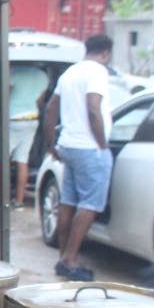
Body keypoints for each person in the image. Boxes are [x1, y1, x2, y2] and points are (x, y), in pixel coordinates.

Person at [42, 34, 114, 281]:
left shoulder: (70, 73)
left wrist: (51, 143)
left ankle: (63, 258)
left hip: (68, 146)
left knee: (68, 202)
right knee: (90, 205)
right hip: (88, 148)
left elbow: (51, 108)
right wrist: (102, 145)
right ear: (105, 53)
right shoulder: (98, 72)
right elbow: (94, 108)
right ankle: (71, 260)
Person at [0, 86, 44, 211]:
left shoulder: (12, 72)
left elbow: (2, 95)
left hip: (12, 119)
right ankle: (18, 202)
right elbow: (40, 100)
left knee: (0, 160)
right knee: (22, 160)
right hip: (32, 119)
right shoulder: (42, 75)